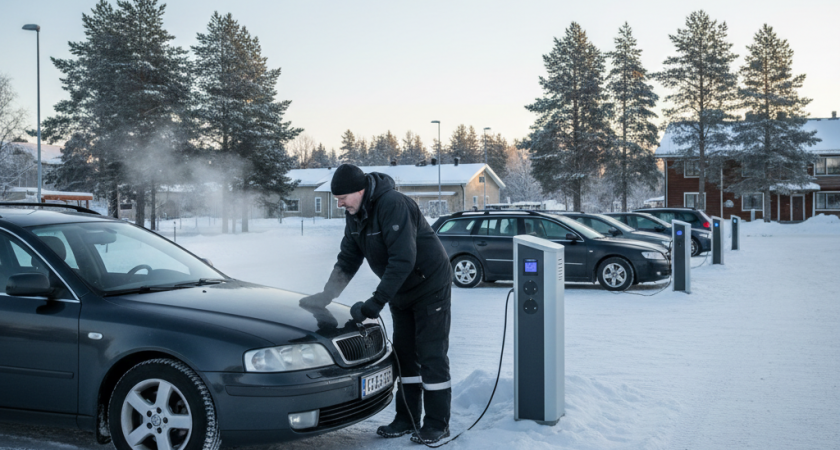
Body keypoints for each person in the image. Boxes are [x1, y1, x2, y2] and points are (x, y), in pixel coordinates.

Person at [299, 164, 453, 444]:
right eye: (336, 199)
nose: (339, 203)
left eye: (343, 197)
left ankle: (437, 423)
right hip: (400, 290)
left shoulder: (393, 204)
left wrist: (375, 302)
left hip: (429, 285)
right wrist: (326, 295)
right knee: (405, 355)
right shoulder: (355, 215)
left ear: (360, 190)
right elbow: (348, 259)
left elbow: (403, 259)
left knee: (431, 354)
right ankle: (406, 418)